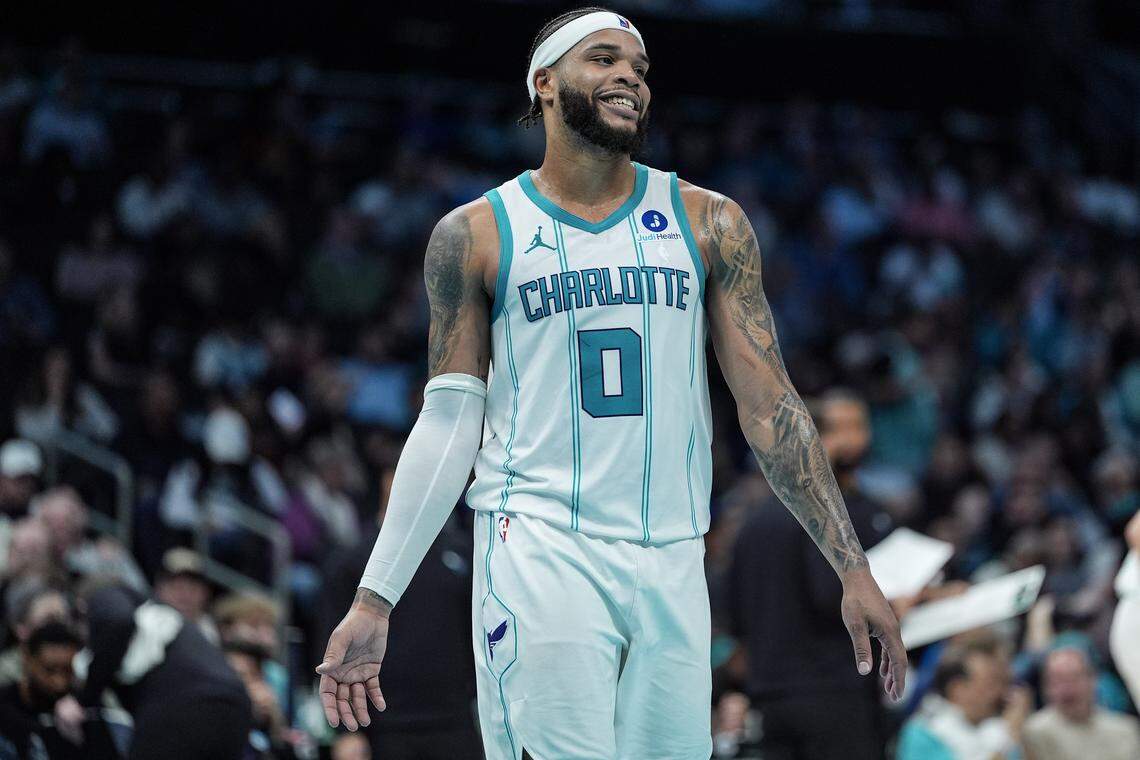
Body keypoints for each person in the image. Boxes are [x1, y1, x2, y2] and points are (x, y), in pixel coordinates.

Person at [317, 7, 905, 759]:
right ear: (545, 82)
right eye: (603, 59)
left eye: (640, 67)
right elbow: (448, 421)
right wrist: (375, 597)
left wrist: (852, 568)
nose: (631, 75)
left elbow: (771, 405)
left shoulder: (710, 221)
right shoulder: (475, 233)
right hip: (537, 544)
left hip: (672, 556)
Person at [723, 389, 892, 759]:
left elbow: (731, 612)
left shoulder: (753, 521)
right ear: (814, 441)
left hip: (770, 696)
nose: (859, 440)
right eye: (845, 430)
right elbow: (830, 595)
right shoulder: (831, 520)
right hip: (831, 692)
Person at [0, 621, 118, 759]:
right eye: (50, 670)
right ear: (28, 660)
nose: (59, 682)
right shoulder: (4, 705)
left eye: (67, 670)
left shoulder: (84, 707)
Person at [897, 644, 1031, 760]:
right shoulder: (923, 734)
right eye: (989, 685)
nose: (999, 693)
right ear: (958, 690)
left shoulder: (994, 726)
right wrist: (1008, 735)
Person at [1022, 647, 1140, 760]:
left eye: (1074, 678)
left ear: (1093, 680)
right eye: (1058, 680)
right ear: (1046, 688)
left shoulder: (1125, 732)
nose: (1067, 689)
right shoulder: (1035, 732)